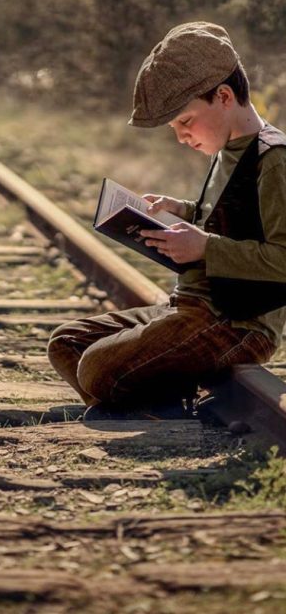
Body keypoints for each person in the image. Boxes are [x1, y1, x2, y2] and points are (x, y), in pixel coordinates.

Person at [48, 21, 286, 418]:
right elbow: (234, 219)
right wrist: (183, 210)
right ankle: (158, 405)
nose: (180, 137)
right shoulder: (227, 149)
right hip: (190, 308)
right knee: (66, 343)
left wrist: (204, 247)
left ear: (223, 96)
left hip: (235, 323)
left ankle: (147, 405)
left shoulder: (273, 160)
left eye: (185, 121)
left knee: (95, 369)